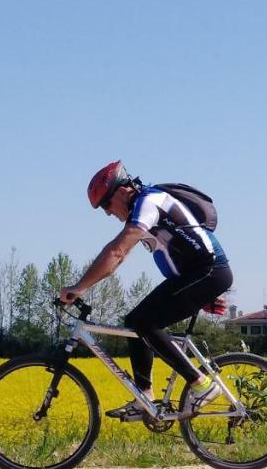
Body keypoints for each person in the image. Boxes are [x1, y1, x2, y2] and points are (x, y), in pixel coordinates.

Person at [59, 160, 232, 421]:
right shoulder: (143, 211)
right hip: (196, 275)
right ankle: (144, 397)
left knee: (145, 323)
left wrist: (79, 287)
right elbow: (135, 258)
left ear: (120, 191)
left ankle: (202, 384)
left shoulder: (149, 202)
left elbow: (116, 252)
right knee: (134, 323)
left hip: (208, 271)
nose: (107, 213)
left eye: (105, 204)